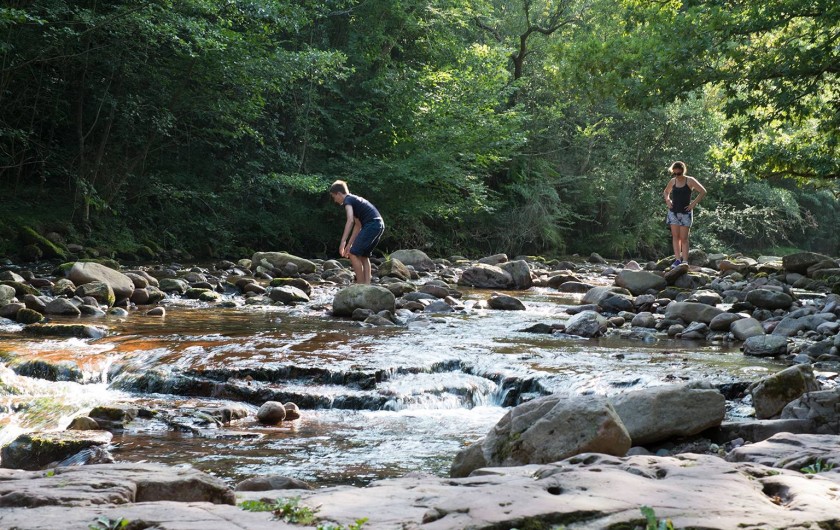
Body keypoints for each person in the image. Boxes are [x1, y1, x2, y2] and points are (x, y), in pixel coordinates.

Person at [329, 180, 385, 284]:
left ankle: (360, 284)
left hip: (372, 224)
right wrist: (349, 244)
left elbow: (350, 220)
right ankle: (367, 284)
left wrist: (343, 241)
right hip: (379, 224)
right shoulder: (354, 200)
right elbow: (357, 225)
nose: (335, 200)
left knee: (353, 254)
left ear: (339, 194)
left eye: (334, 197)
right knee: (364, 256)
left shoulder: (348, 201)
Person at [662, 161, 706, 268]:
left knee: (684, 238)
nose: (677, 176)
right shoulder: (673, 181)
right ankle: (677, 260)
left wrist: (693, 204)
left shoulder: (690, 180)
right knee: (675, 237)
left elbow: (703, 191)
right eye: (675, 173)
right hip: (673, 212)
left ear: (683, 171)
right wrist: (668, 201)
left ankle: (685, 261)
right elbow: (666, 192)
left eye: (679, 173)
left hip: (685, 213)